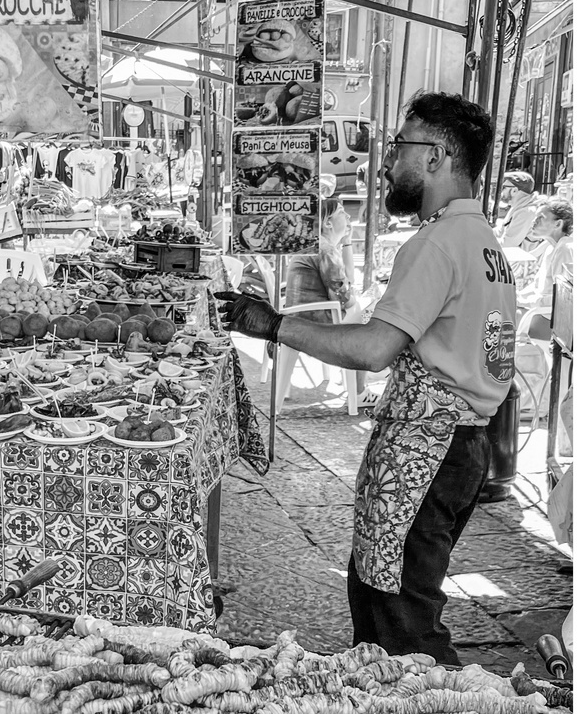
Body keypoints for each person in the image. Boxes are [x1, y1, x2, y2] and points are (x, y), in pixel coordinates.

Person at [217, 91, 517, 663]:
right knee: (386, 596)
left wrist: (275, 325)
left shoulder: (437, 243)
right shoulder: (484, 241)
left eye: (399, 147)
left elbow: (376, 349)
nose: (384, 163)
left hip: (429, 448)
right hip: (462, 445)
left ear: (437, 157)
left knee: (402, 620)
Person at [279, 198, 375, 410]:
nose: (348, 216)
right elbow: (342, 295)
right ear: (328, 223)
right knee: (369, 321)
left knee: (363, 310)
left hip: (303, 316)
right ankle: (360, 389)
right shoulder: (325, 250)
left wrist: (347, 241)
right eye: (342, 212)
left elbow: (347, 280)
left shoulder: (321, 244)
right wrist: (361, 305)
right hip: (314, 320)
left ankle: (359, 380)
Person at [516, 201, 573, 342]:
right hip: (542, 311)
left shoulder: (565, 249)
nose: (534, 221)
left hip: (554, 320)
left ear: (558, 224)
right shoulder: (549, 249)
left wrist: (527, 301)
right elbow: (536, 286)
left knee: (507, 316)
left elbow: (562, 298)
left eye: (540, 217)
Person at [494, 171, 538, 249]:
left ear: (514, 190)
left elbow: (507, 245)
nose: (501, 192)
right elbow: (500, 231)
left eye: (504, 188)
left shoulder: (526, 212)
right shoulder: (517, 207)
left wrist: (483, 241)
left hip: (521, 260)